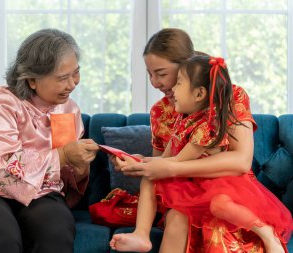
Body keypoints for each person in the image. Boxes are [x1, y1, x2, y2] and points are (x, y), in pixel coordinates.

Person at [110, 28, 292, 252]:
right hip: (182, 194)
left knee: (218, 218)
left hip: (227, 190)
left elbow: (240, 162)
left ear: (187, 67)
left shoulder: (230, 96)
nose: (154, 83)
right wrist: (140, 163)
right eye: (149, 74)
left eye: (162, 73)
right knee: (177, 215)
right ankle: (142, 236)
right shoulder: (161, 111)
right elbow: (161, 165)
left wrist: (169, 167)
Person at [0, 28, 99, 253]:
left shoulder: (67, 110)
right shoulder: (1, 103)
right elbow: (3, 168)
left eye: (76, 73)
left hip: (41, 195)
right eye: (62, 78)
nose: (72, 84)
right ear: (32, 80)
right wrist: (62, 155)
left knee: (56, 230)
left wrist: (79, 166)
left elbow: (62, 177)